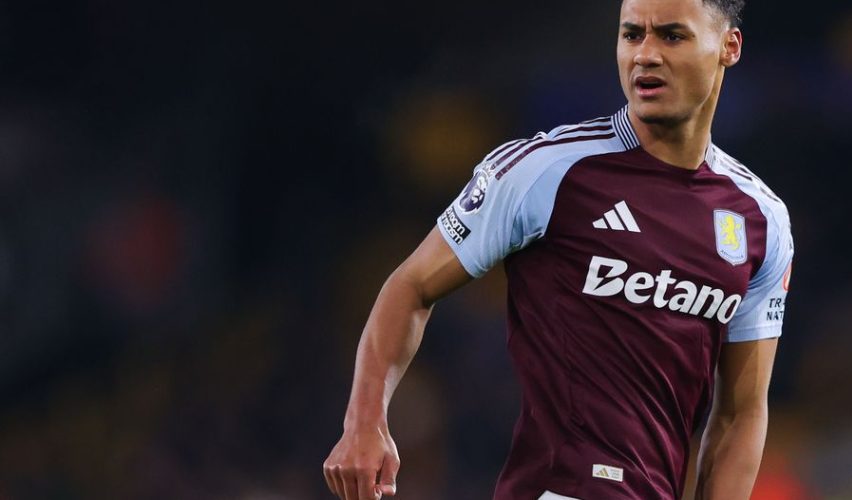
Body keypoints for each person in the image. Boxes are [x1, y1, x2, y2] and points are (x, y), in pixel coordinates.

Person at [323, 0, 793, 498]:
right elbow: (412, 284)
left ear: (728, 47)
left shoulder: (761, 219)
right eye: (632, 35)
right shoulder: (546, 170)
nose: (645, 55)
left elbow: (741, 412)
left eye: (672, 36)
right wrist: (364, 422)